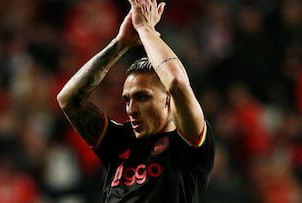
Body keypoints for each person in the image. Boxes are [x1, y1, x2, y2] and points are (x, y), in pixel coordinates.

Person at [56, 0, 215, 202]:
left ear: (168, 99)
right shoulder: (120, 141)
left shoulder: (188, 144)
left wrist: (145, 29)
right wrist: (121, 44)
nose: (131, 109)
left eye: (142, 97)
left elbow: (176, 81)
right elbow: (68, 100)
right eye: (127, 100)